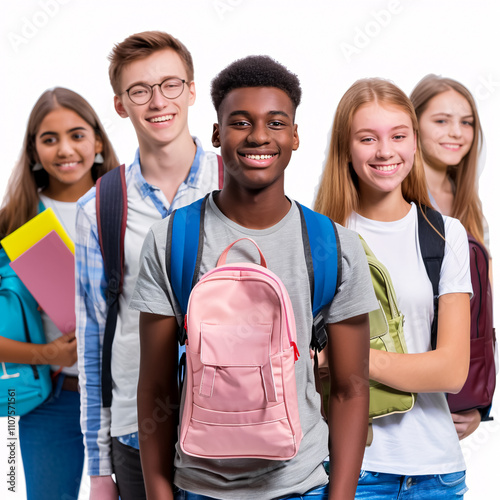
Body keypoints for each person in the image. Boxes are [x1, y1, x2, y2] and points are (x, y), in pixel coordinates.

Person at [130, 55, 378, 500]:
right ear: (216, 134)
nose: (259, 136)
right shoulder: (173, 240)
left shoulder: (334, 246)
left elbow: (349, 388)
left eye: (276, 122)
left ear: (296, 136)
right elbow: (155, 386)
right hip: (198, 486)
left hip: (300, 484)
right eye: (241, 122)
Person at [75, 31, 223, 500]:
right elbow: (94, 340)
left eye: (171, 85)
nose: (158, 101)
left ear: (194, 90)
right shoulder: (100, 207)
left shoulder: (241, 184)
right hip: (136, 433)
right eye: (140, 90)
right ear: (120, 104)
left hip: (233, 426)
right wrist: (98, 470)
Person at [314, 78, 471, 499]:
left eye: (398, 136)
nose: (386, 151)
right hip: (348, 471)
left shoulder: (444, 235)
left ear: (414, 143)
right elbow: (299, 365)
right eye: (368, 138)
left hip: (437, 474)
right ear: (346, 148)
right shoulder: (319, 237)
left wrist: (350, 358)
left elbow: (452, 371)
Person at [0, 86, 118, 500]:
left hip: (126, 398)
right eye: (49, 139)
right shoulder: (13, 225)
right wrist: (47, 354)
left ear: (98, 142)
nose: (65, 149)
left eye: (77, 134)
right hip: (51, 400)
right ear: (33, 151)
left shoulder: (131, 209)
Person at [411, 74, 492, 439]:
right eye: (441, 120)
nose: (456, 132)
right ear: (413, 125)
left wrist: (477, 406)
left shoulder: (469, 206)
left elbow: (480, 313)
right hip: (393, 393)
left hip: (448, 406)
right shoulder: (387, 196)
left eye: (467, 122)